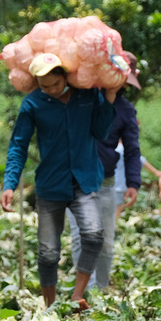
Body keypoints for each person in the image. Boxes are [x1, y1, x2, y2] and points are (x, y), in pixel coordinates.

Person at [0, 52, 117, 310]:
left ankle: (77, 295)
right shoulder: (32, 105)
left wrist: (108, 98)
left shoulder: (87, 96)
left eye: (55, 84)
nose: (52, 90)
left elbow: (101, 131)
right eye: (45, 87)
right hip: (51, 185)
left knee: (94, 235)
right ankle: (50, 305)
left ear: (65, 76)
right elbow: (18, 145)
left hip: (84, 180)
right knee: (48, 252)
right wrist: (10, 183)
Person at [67, 51, 143, 291]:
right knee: (81, 237)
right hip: (76, 180)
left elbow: (132, 149)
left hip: (106, 182)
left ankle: (99, 291)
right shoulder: (81, 99)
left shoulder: (125, 109)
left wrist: (133, 182)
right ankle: (84, 293)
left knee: (106, 242)